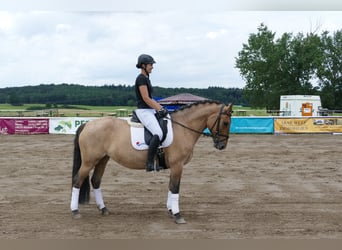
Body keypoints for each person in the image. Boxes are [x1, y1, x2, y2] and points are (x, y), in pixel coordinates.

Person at [134, 54, 169, 172]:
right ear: (143, 66)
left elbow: (151, 98)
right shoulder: (141, 79)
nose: (152, 67)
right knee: (158, 133)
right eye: (151, 64)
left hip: (150, 109)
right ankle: (149, 163)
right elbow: (146, 98)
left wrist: (161, 107)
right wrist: (159, 109)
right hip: (144, 110)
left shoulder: (147, 78)